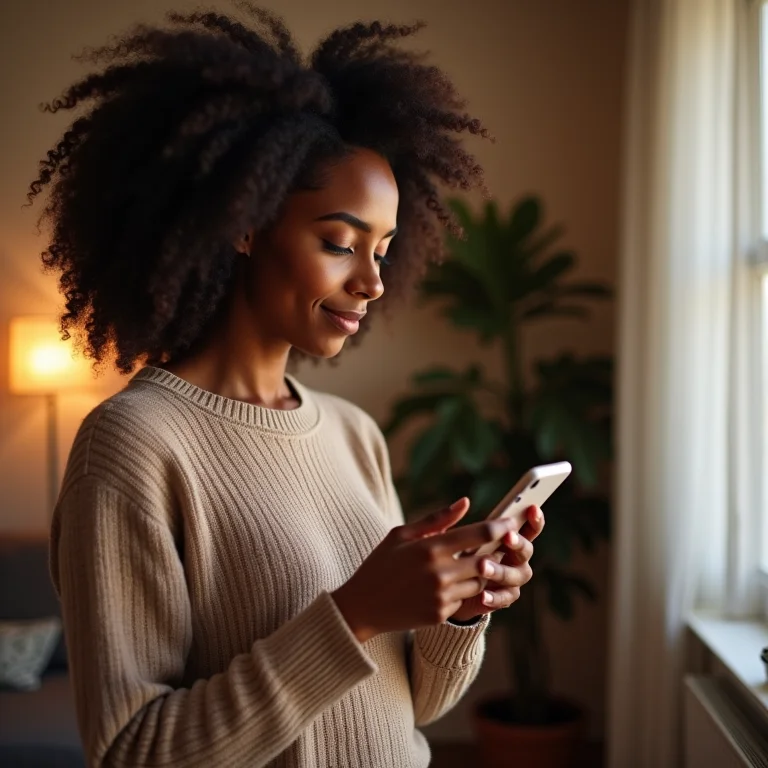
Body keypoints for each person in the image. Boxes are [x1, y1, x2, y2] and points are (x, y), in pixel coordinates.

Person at [28, 5, 545, 767]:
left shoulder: (352, 433)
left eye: (385, 249)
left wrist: (455, 614)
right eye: (339, 243)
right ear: (245, 222)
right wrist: (357, 613)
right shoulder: (134, 447)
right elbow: (134, 751)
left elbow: (412, 704)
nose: (371, 281)